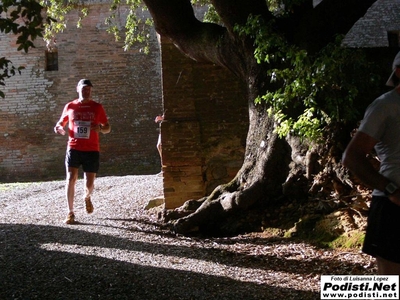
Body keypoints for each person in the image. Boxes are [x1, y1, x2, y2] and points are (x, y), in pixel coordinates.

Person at [342, 51, 400, 275]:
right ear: (398, 72)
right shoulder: (385, 106)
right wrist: (391, 190)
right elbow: (352, 156)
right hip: (393, 207)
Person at [54, 79, 111, 224]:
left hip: (91, 149)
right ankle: (70, 212)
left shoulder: (97, 107)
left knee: (89, 183)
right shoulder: (70, 106)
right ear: (78, 89)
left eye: (89, 90)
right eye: (84, 89)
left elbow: (107, 127)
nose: (86, 92)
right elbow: (61, 122)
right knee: (70, 178)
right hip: (73, 147)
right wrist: (58, 127)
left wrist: (100, 129)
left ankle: (87, 197)